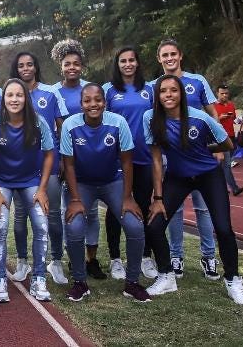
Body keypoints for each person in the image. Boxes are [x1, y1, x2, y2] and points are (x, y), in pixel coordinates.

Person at [143, 75, 243, 305]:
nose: (168, 95)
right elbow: (155, 160)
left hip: (208, 175)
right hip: (177, 177)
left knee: (223, 228)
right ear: (157, 96)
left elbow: (228, 144)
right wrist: (158, 197)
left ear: (181, 93)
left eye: (174, 90)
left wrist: (204, 147)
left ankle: (233, 280)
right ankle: (166, 276)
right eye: (163, 91)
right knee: (154, 226)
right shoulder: (150, 118)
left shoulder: (199, 117)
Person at [60, 83, 150, 302]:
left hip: (113, 182)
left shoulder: (118, 123)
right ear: (81, 104)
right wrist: (74, 199)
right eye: (88, 100)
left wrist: (127, 198)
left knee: (134, 224)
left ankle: (132, 282)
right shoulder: (70, 125)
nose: (93, 104)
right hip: (82, 184)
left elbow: (127, 163)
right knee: (74, 226)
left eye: (98, 99)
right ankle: (80, 281)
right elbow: (69, 165)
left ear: (105, 102)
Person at [155, 38, 220, 280]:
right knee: (175, 210)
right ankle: (176, 257)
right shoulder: (156, 85)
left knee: (204, 209)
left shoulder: (198, 80)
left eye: (173, 53)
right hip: (170, 158)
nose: (169, 58)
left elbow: (213, 115)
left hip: (200, 156)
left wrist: (217, 147)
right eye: (165, 55)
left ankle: (209, 258)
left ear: (180, 55)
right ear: (159, 59)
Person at [0, 79, 55, 302]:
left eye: (19, 95)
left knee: (41, 225)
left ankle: (39, 278)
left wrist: (43, 188)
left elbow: (49, 155)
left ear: (26, 98)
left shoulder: (38, 122)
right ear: (3, 99)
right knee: (1, 226)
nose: (14, 99)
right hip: (2, 182)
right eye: (10, 95)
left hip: (31, 180)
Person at [10, 51, 70, 284]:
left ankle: (55, 262)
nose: (26, 68)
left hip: (49, 165)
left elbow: (62, 128)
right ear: (16, 69)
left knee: (52, 215)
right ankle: (23, 262)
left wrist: (65, 159)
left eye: (30, 64)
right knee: (20, 217)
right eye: (21, 65)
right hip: (20, 168)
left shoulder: (51, 93)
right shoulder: (12, 94)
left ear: (36, 67)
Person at [102, 47, 159, 280]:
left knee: (144, 206)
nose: (127, 64)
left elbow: (157, 119)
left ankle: (145, 256)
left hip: (144, 157)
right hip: (116, 159)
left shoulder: (149, 89)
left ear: (137, 63)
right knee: (116, 210)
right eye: (123, 61)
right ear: (117, 64)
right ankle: (116, 259)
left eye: (131, 60)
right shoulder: (108, 90)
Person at [50, 39, 103, 279]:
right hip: (66, 158)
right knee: (68, 211)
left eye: (76, 64)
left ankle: (92, 259)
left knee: (91, 212)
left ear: (82, 66)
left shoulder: (91, 88)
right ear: (60, 66)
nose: (72, 67)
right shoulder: (53, 92)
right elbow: (56, 128)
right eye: (67, 64)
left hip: (91, 157)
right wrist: (61, 159)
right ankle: (72, 258)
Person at [214, 85, 243, 196]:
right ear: (217, 93)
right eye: (222, 93)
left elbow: (233, 120)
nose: (225, 95)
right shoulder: (213, 106)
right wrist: (219, 118)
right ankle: (234, 188)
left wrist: (240, 121)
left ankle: (218, 187)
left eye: (226, 93)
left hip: (231, 137)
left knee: (223, 166)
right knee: (227, 164)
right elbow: (210, 122)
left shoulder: (231, 105)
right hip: (221, 138)